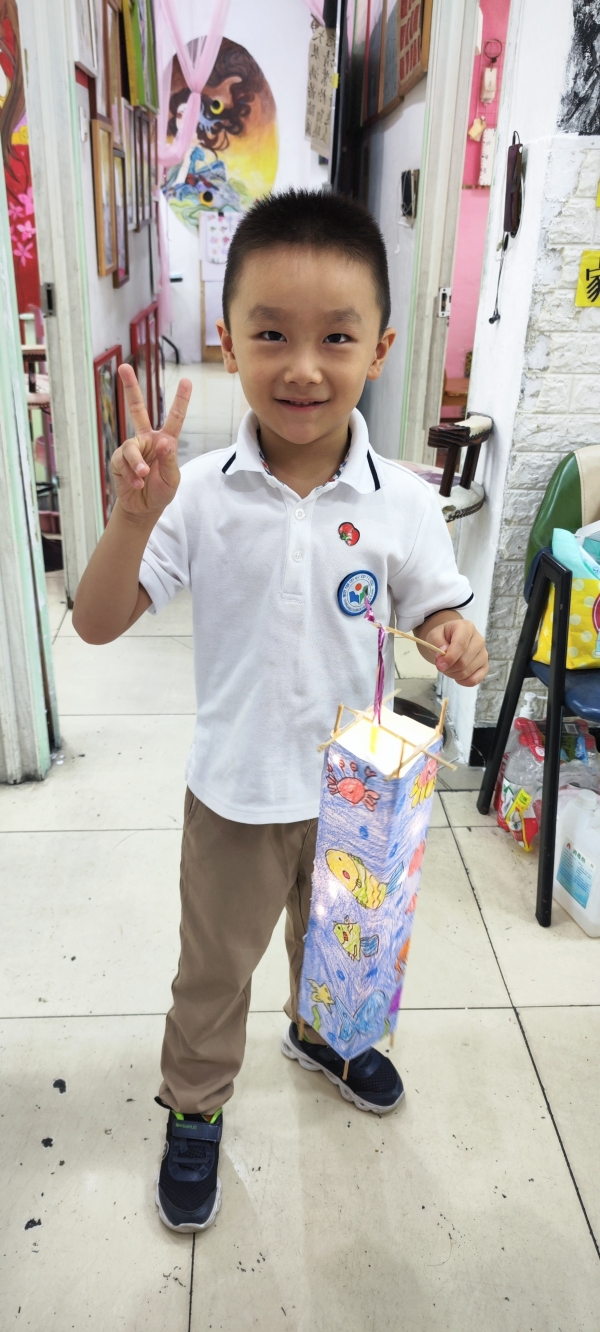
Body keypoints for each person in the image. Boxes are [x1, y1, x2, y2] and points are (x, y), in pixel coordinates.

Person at [73, 189, 488, 1235]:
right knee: (215, 970)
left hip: (357, 790)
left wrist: (454, 634)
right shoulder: (198, 492)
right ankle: (195, 1102)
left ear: (380, 348)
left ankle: (323, 1036)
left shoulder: (403, 499)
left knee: (341, 946)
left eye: (336, 337)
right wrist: (132, 519)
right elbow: (96, 623)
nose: (303, 367)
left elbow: (432, 606)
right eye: (271, 335)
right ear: (228, 341)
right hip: (237, 789)